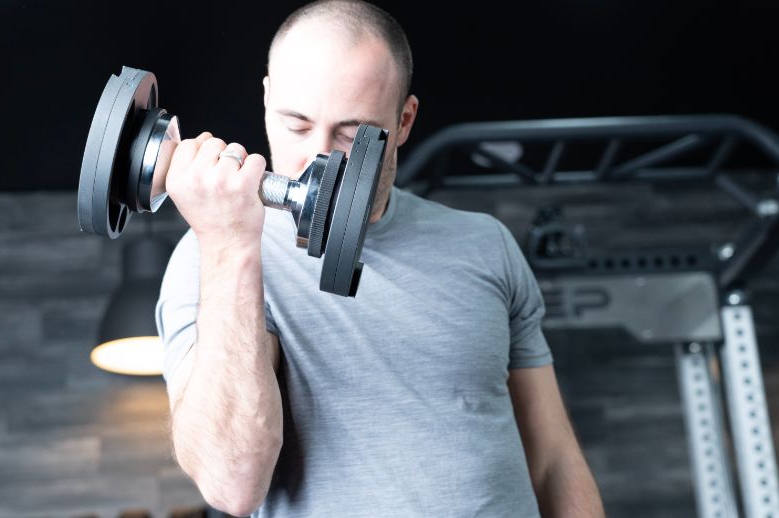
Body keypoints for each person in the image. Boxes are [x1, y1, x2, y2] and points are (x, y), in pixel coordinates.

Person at [156, 1, 605, 516]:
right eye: (296, 125)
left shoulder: (486, 244)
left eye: (351, 134)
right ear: (266, 101)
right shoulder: (210, 259)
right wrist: (230, 244)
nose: (319, 158)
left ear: (404, 120)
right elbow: (232, 483)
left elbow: (553, 459)